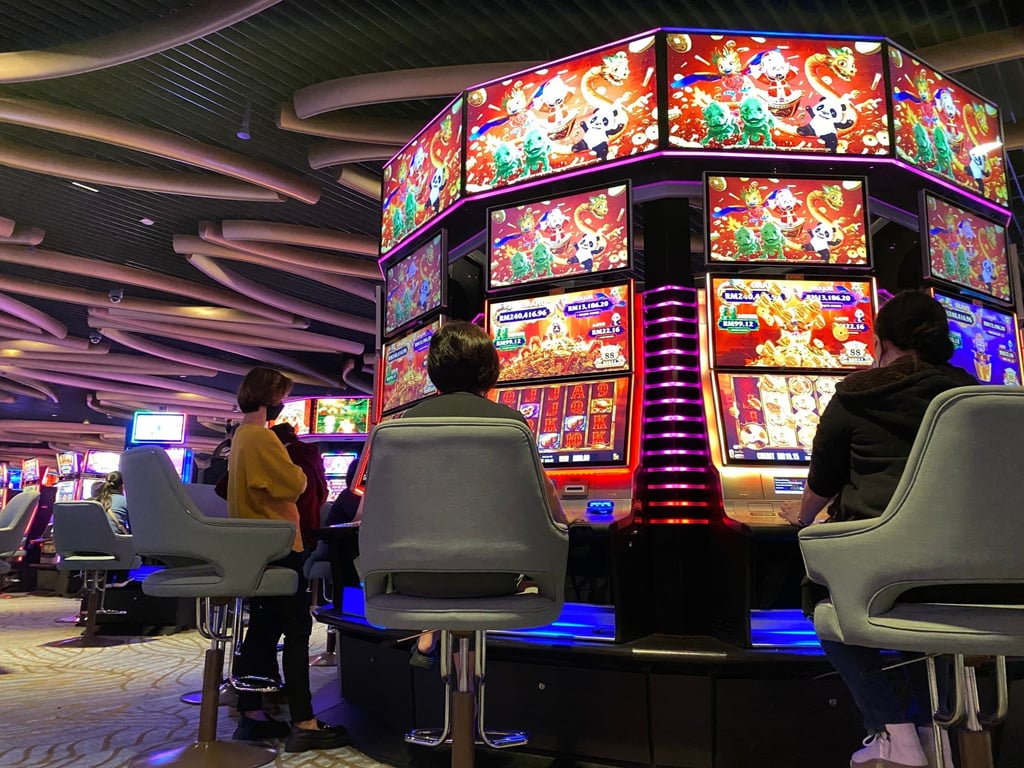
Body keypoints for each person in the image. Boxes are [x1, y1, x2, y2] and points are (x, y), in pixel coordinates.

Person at [778, 290, 975, 768]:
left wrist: (801, 515)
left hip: (882, 565)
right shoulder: (972, 395)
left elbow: (822, 483)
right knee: (928, 612)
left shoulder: (857, 395)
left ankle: (894, 733)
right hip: (972, 576)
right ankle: (934, 730)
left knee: (826, 603)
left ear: (881, 341)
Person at [397, 320, 567, 668]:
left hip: (415, 578)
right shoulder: (510, 423)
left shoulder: (402, 424)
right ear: (490, 370)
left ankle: (434, 634)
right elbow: (543, 498)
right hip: (494, 578)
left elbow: (385, 508)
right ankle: (467, 676)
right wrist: (565, 526)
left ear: (433, 372)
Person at [226, 366, 349, 753]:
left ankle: (252, 715)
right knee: (296, 630)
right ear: (270, 398)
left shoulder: (241, 436)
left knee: (263, 631)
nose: (283, 402)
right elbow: (295, 484)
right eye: (281, 395)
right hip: (279, 544)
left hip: (257, 546)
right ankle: (304, 722)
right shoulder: (262, 438)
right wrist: (298, 469)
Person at [269, 421, 328, 552]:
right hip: (310, 522)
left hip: (284, 525)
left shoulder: (282, 457)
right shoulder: (311, 454)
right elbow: (323, 491)